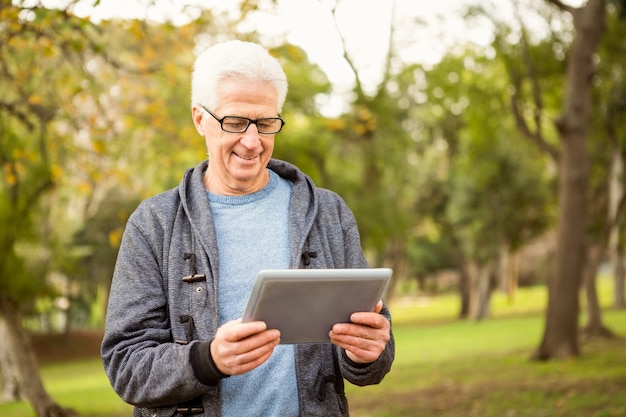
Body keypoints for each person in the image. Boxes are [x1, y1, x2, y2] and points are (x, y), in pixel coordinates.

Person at [101, 39, 394, 417]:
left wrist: (368, 353)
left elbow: (373, 356)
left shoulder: (329, 213)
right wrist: (208, 360)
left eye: (266, 123)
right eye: (235, 122)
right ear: (199, 118)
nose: (253, 142)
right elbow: (126, 367)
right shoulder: (153, 224)